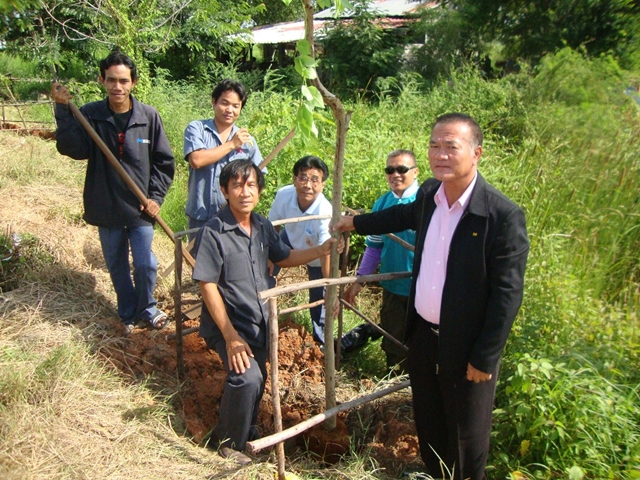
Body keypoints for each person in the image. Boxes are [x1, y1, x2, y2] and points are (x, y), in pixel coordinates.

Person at [333, 113, 529, 479]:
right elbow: (399, 216)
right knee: (430, 420)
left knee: (466, 434)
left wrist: (485, 356)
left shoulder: (501, 216)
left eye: (451, 146)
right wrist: (356, 222)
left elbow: (507, 295)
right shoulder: (428, 195)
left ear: (477, 153)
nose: (440, 154)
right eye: (434, 146)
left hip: (467, 344)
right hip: (423, 334)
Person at [193, 159, 336, 465]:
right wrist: (230, 337)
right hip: (229, 325)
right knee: (246, 378)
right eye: (237, 186)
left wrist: (321, 250)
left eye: (251, 185)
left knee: (258, 378)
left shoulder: (261, 226)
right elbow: (207, 285)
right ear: (224, 191)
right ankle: (226, 442)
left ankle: (247, 428)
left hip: (258, 321)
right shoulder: (214, 231)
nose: (245, 192)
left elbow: (283, 257)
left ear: (259, 191)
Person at [51, 51, 175, 335]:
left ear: (133, 82)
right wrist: (62, 111)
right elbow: (72, 149)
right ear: (102, 80)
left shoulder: (148, 117)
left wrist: (155, 198)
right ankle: (128, 312)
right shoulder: (91, 114)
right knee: (117, 266)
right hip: (105, 204)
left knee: (145, 264)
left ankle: (147, 308)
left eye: (123, 81)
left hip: (140, 206)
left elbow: (164, 162)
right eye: (111, 80)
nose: (117, 87)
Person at [342, 149, 419, 371]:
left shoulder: (426, 202)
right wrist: (359, 280)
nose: (395, 174)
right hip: (393, 286)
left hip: (421, 288)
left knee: (422, 340)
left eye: (402, 169)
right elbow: (374, 247)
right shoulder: (382, 203)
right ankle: (395, 380)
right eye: (390, 170)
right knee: (394, 338)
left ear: (415, 172)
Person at [183, 79, 263, 238]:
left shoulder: (247, 141)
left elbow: (259, 177)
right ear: (214, 102)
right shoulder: (197, 128)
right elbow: (197, 160)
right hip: (201, 215)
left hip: (233, 218)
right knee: (198, 253)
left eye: (236, 106)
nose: (229, 110)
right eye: (225, 103)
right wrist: (232, 144)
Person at [268, 156, 332, 344]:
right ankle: (259, 313)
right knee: (264, 271)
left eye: (315, 180)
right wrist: (270, 257)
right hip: (290, 237)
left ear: (323, 184)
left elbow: (326, 252)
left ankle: (320, 342)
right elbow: (273, 227)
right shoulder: (284, 195)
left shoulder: (325, 211)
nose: (308, 185)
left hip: (317, 254)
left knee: (319, 297)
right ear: (294, 179)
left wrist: (330, 285)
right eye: (303, 178)